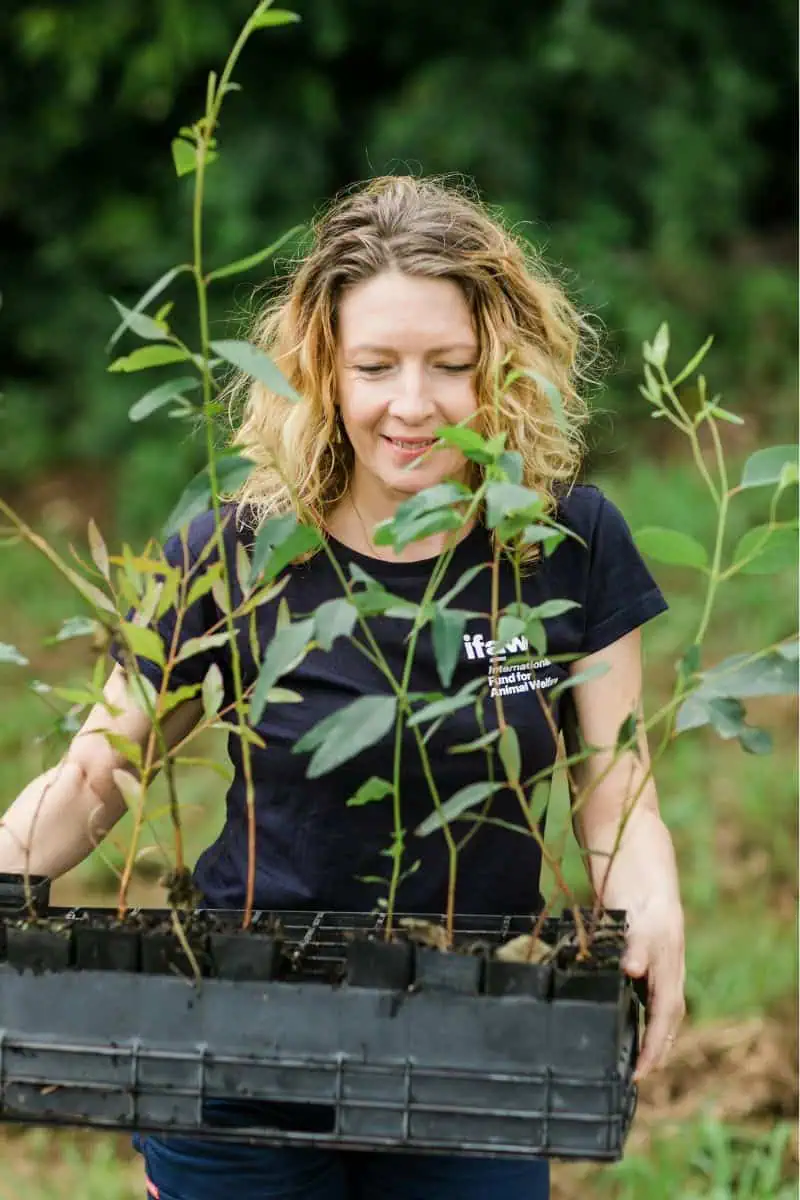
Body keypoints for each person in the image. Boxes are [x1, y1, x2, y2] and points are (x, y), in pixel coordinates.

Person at [0, 175, 686, 1200]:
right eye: (374, 366)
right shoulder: (237, 550)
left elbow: (610, 781)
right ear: (320, 369)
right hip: (242, 1040)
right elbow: (105, 769)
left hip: (477, 1035)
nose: (411, 405)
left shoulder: (561, 544)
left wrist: (653, 903)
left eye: (449, 366)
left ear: (499, 363)